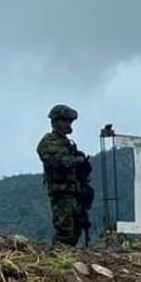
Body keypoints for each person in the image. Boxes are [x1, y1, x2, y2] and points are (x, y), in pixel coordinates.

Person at [36, 105, 94, 247]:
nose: (68, 124)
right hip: (62, 194)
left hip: (74, 193)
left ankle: (65, 258)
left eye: (70, 121)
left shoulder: (67, 144)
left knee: (76, 229)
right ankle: (57, 260)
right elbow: (59, 162)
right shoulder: (49, 142)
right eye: (65, 121)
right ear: (55, 122)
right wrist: (77, 160)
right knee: (65, 231)